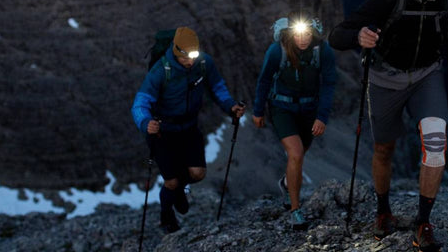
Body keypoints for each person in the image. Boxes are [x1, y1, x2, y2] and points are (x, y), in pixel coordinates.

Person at [329, 0, 448, 252]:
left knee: (436, 143)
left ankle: (423, 223)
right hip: (384, 80)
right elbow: (336, 37)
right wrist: (359, 36)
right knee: (384, 149)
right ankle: (383, 212)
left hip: (427, 76)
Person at [131, 26, 245, 233]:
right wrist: (145, 122)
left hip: (189, 128)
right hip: (163, 131)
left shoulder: (203, 63)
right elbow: (140, 102)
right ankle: (166, 215)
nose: (191, 61)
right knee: (171, 182)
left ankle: (178, 190)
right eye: (186, 57)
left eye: (195, 54)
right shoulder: (160, 71)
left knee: (198, 173)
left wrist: (230, 106)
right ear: (176, 51)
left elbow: (217, 86)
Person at [252, 12, 337, 230]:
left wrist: (321, 116)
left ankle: (287, 184)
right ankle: (295, 210)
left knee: (299, 156)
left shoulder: (322, 51)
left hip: (309, 110)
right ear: (290, 33)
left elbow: (329, 84)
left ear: (313, 33)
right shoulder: (276, 51)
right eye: (298, 34)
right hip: (282, 107)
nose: (303, 39)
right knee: (296, 153)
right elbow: (263, 81)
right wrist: (258, 111)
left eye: (307, 34)